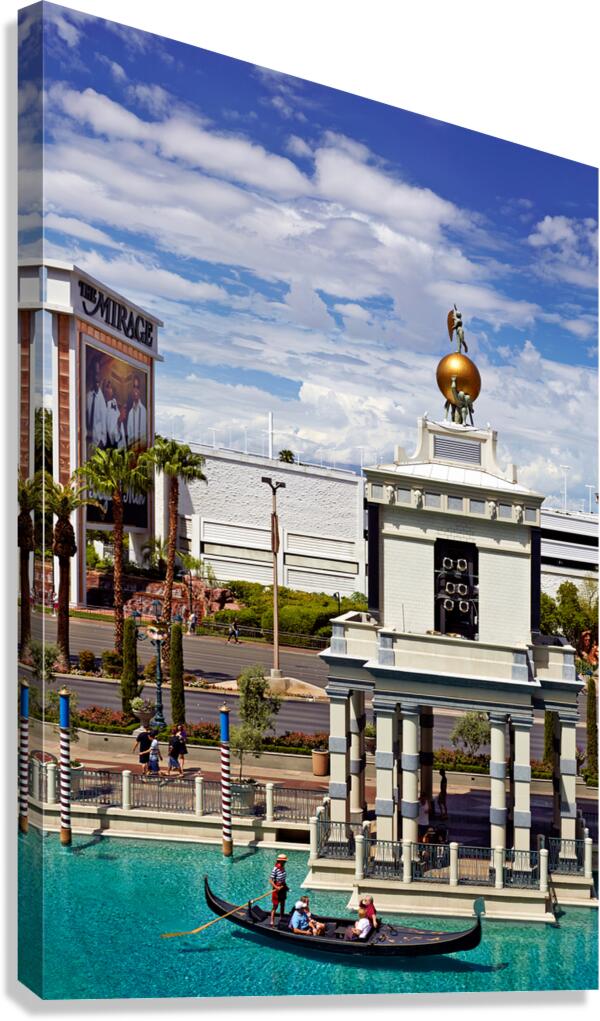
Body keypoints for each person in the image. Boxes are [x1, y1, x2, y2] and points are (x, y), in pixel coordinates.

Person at [86, 355, 107, 452]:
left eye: (98, 373)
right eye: (94, 373)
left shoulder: (102, 400)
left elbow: (104, 425)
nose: (96, 377)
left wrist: (102, 443)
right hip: (87, 444)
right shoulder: (88, 396)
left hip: (98, 445)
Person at [104, 380, 127, 449]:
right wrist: (119, 420)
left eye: (110, 387)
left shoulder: (115, 403)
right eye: (107, 387)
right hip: (116, 448)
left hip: (122, 446)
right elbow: (113, 437)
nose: (108, 390)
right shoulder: (107, 409)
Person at [126, 375, 147, 450]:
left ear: (140, 390)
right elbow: (129, 437)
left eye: (137, 387)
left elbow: (144, 438)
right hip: (132, 452)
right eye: (134, 387)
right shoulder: (130, 413)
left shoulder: (144, 411)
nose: (135, 390)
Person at [269, 853, 289, 927]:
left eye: (285, 861)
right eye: (284, 861)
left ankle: (281, 919)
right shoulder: (275, 869)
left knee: (283, 905)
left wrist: (286, 886)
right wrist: (276, 887)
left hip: (283, 888)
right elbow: (270, 880)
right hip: (277, 890)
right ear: (280, 861)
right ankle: (272, 921)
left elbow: (283, 879)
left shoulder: (283, 867)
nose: (285, 862)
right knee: (275, 906)